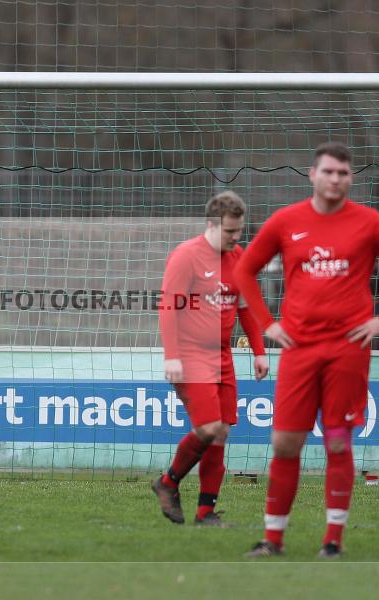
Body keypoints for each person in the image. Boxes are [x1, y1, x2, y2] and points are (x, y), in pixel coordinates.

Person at [234, 142, 379, 558]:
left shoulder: (369, 223)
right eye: (329, 172)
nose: (335, 179)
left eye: (343, 173)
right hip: (299, 350)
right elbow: (244, 270)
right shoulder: (287, 221)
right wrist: (269, 324)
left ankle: (332, 542)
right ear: (313, 174)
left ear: (350, 178)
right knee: (286, 443)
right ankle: (273, 540)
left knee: (338, 442)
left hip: (347, 350)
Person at [152, 191, 269, 526]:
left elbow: (247, 309)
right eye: (230, 232)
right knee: (208, 428)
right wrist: (172, 356)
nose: (236, 237)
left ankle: (205, 512)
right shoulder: (186, 256)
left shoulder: (238, 258)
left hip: (222, 356)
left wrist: (259, 353)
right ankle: (168, 482)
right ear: (212, 225)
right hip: (190, 354)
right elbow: (168, 308)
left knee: (220, 434)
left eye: (240, 231)